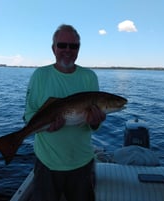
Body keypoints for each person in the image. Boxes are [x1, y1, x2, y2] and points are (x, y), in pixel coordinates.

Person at [23, 24, 106, 201]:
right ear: (53, 48)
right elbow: (29, 114)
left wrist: (95, 121)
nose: (68, 50)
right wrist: (45, 126)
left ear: (79, 49)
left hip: (82, 163)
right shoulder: (40, 75)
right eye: (62, 45)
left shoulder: (89, 77)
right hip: (47, 164)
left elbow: (93, 125)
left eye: (73, 46)